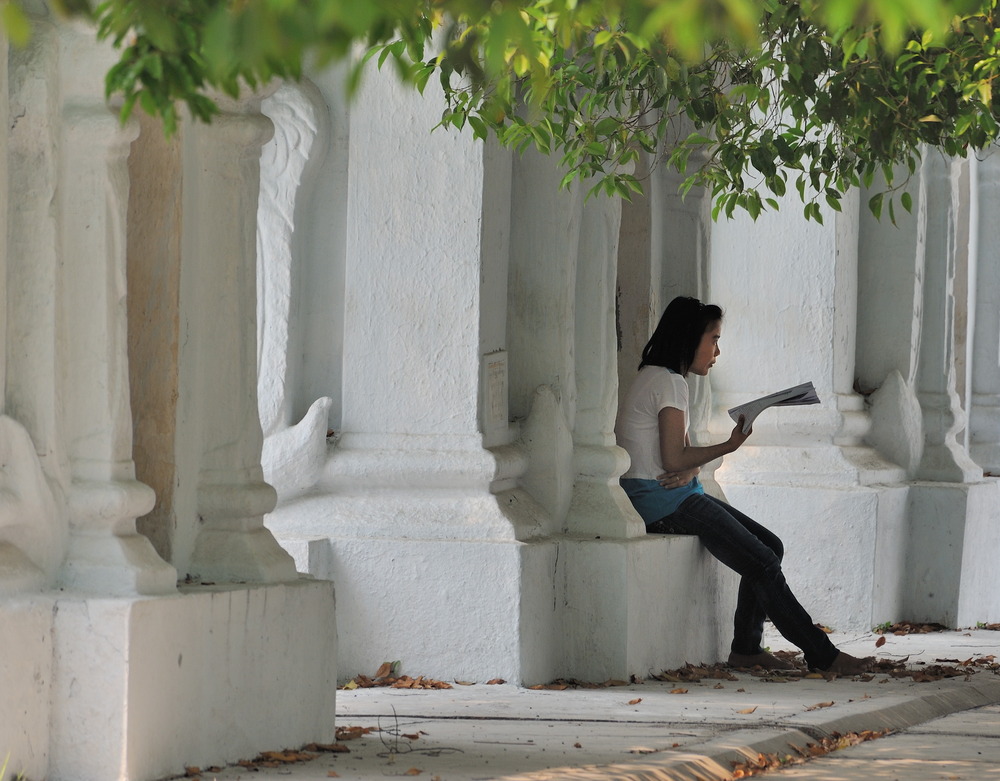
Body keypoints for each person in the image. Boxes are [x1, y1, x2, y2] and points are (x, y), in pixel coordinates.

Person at [615, 295, 873, 675]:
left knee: (770, 547)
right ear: (691, 338)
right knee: (763, 562)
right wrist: (730, 445)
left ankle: (748, 649)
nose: (717, 350)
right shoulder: (670, 383)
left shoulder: (659, 377)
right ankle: (822, 654)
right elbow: (673, 460)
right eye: (714, 339)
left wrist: (690, 470)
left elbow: (671, 458)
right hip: (662, 503)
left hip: (674, 493)